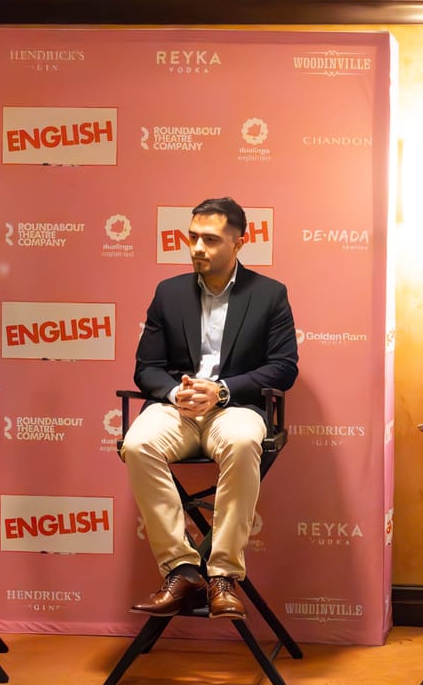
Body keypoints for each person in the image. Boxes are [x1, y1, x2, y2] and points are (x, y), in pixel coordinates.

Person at [124, 197, 299, 620]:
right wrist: (174, 393)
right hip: (177, 408)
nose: (198, 248)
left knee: (241, 443)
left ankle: (222, 576)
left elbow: (284, 368)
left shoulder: (269, 294)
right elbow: (146, 368)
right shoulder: (168, 293)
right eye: (193, 238)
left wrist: (221, 391)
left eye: (211, 239)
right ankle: (183, 571)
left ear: (239, 242)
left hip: (236, 406)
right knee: (137, 444)